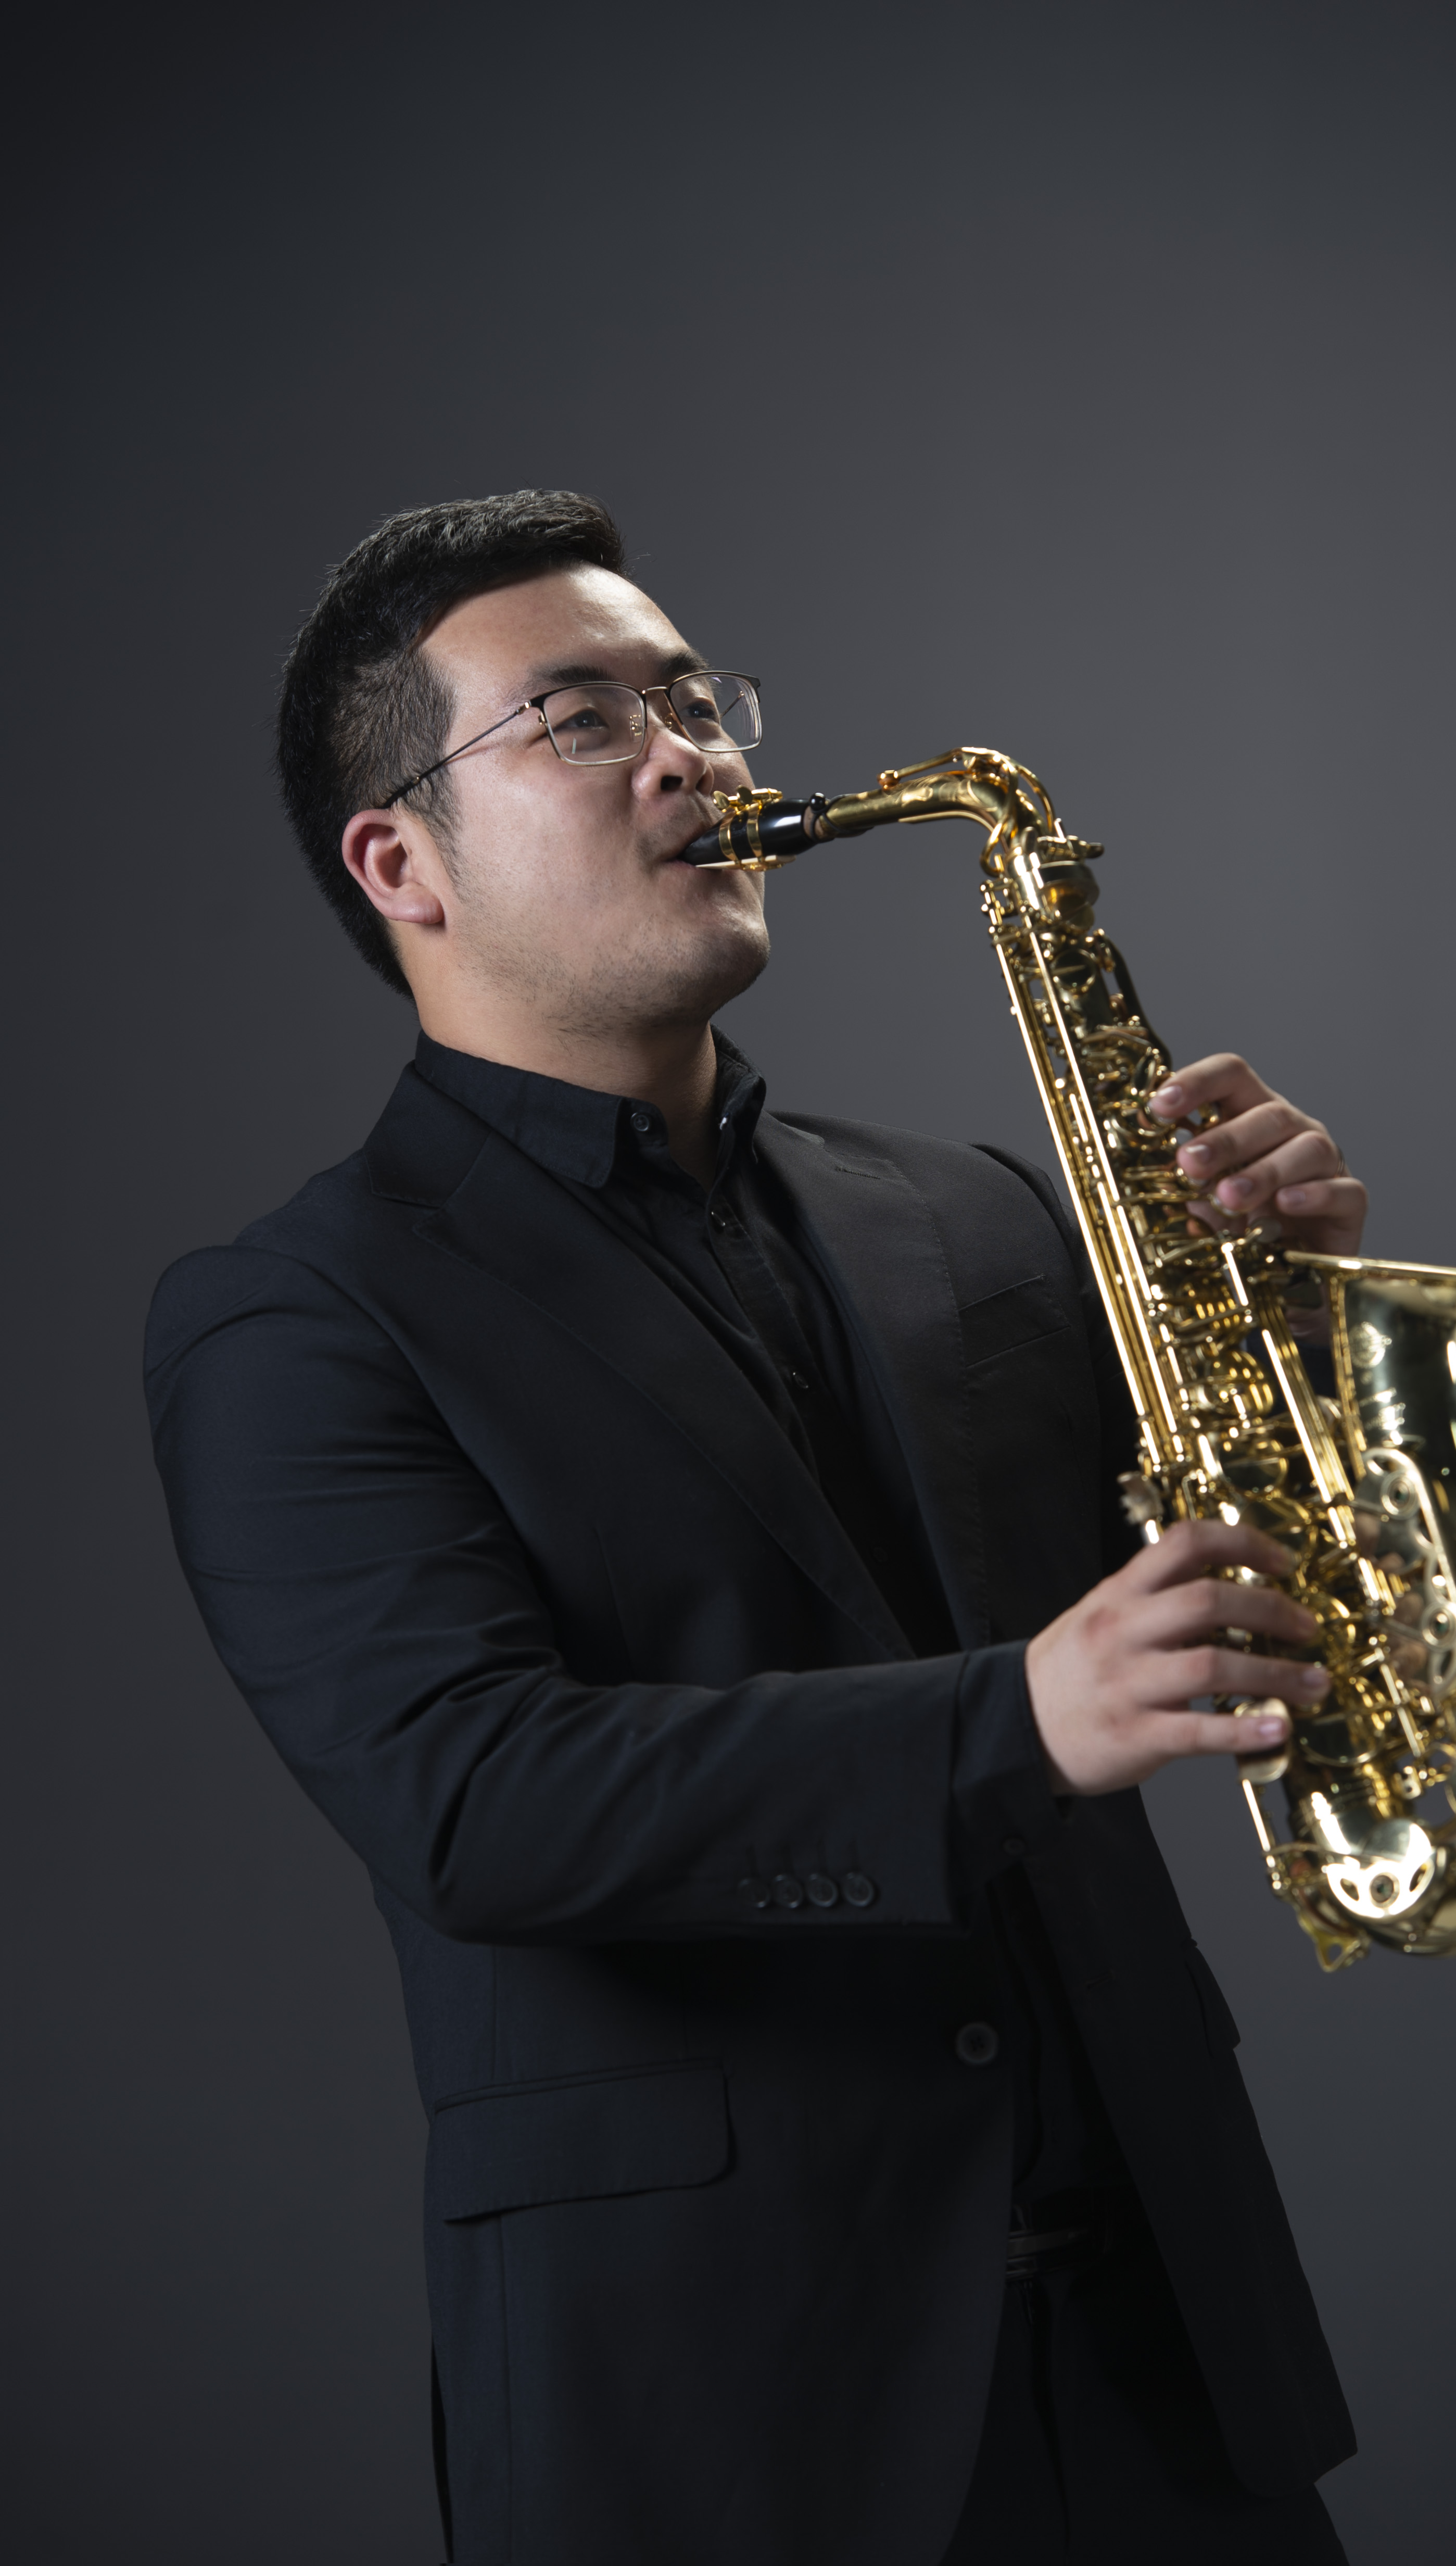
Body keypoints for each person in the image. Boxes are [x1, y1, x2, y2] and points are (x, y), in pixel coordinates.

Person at [146, 490, 1365, 2566]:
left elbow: (1263, 1616)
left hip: (1172, 2372)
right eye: (581, 718)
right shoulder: (296, 1315)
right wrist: (1019, 1720)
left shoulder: (981, 1209)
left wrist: (1300, 1337)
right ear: (399, 864)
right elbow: (477, 1800)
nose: (691, 754)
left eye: (696, 700)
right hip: (726, 2426)